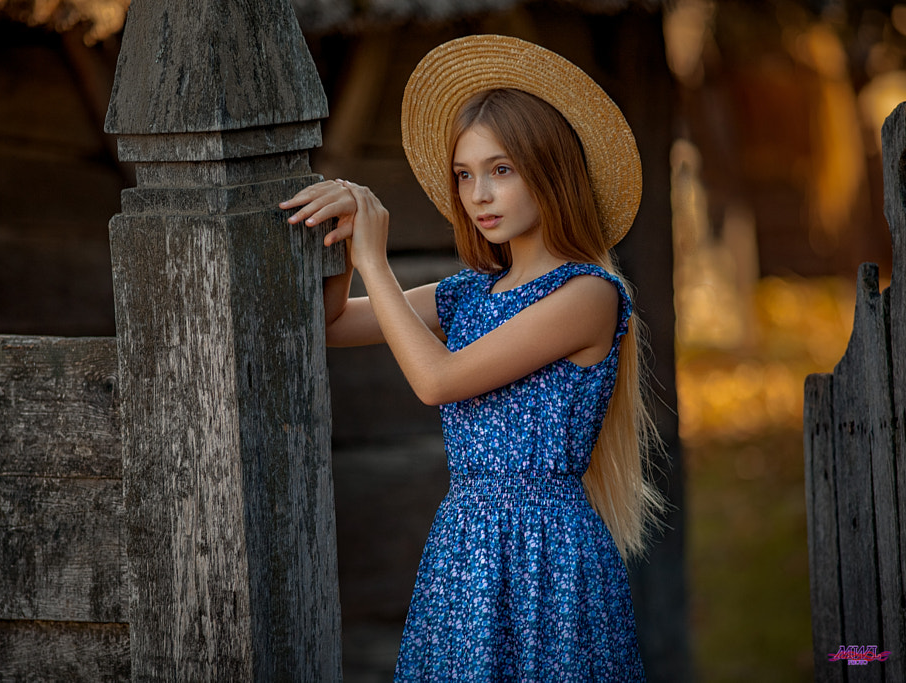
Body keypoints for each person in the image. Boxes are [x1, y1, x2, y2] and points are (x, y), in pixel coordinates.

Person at [281, 34, 665, 682]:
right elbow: (332, 323)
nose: (478, 193)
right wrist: (345, 249)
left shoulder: (589, 295)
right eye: (465, 174)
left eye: (502, 169)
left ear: (552, 170)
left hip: (548, 552)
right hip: (466, 545)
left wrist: (377, 258)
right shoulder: (468, 293)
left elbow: (439, 381)